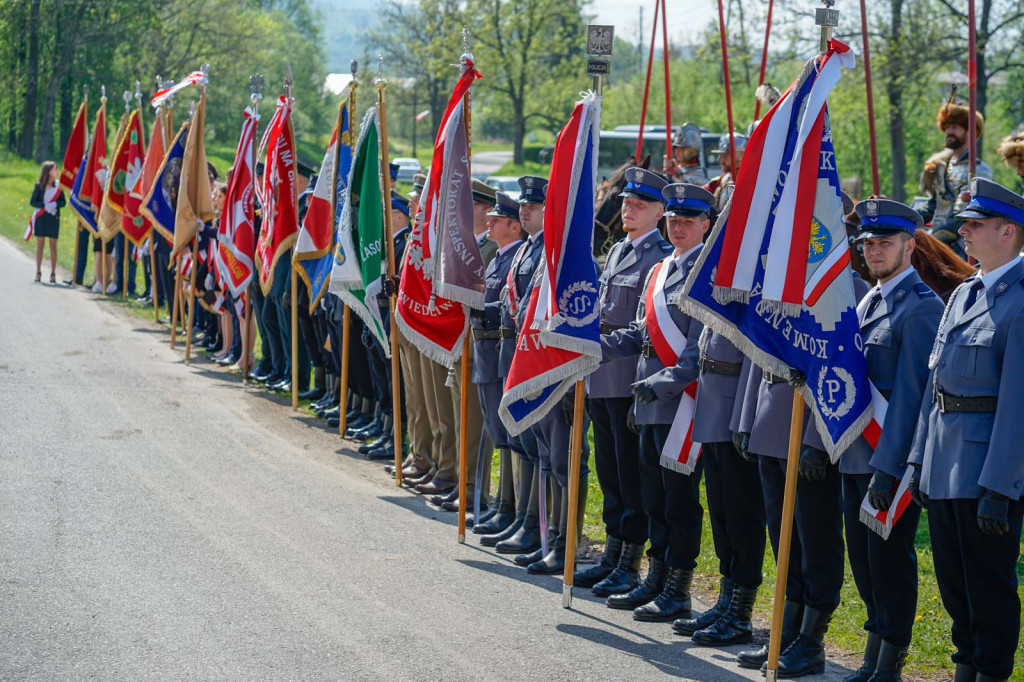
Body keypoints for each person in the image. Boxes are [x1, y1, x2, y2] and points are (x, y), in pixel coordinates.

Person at [908, 177, 1024, 682]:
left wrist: (1001, 485)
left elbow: (1019, 404)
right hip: (944, 460)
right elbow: (934, 387)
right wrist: (918, 461)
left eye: (976, 225)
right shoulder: (964, 295)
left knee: (988, 585)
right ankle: (965, 667)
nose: (965, 234)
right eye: (965, 225)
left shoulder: (1019, 300)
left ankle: (991, 671)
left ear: (1009, 233)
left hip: (985, 469)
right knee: (954, 583)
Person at [839, 200, 944, 682]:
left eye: (885, 242)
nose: (874, 251)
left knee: (890, 563)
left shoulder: (921, 308)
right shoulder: (868, 301)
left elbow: (911, 398)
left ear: (909, 245)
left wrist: (889, 466)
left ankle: (890, 662)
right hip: (854, 455)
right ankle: (872, 651)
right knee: (863, 561)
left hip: (888, 461)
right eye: (869, 243)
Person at [600, 183, 711, 620]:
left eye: (688, 220)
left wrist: (666, 381)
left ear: (705, 224)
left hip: (680, 400)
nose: (679, 227)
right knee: (653, 496)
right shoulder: (658, 270)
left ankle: (678, 587)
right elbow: (638, 332)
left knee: (679, 499)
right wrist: (593, 344)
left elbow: (698, 344)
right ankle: (656, 577)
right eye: (674, 220)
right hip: (646, 396)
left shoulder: (707, 270)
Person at [577, 167, 673, 595]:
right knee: (610, 473)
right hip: (601, 373)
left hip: (626, 376)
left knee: (631, 477)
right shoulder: (618, 251)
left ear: (660, 212)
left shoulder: (659, 256)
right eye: (626, 203)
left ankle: (629, 560)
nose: (628, 210)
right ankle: (613, 554)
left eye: (639, 205)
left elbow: (645, 328)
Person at [918, 99, 993, 258]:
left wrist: (930, 241)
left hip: (963, 247)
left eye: (955, 127)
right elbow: (932, 207)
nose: (948, 132)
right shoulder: (942, 167)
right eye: (947, 127)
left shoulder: (979, 169)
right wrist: (902, 218)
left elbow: (963, 216)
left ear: (970, 131)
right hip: (938, 243)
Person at [28, 161, 65, 283]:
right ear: (48, 172)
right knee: (40, 244)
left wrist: (55, 204)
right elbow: (33, 202)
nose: (57, 171)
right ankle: (38, 271)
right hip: (42, 217)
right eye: (55, 169)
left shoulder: (59, 186)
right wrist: (44, 205)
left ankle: (53, 273)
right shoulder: (39, 186)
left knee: (53, 245)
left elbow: (63, 202)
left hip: (53, 218)